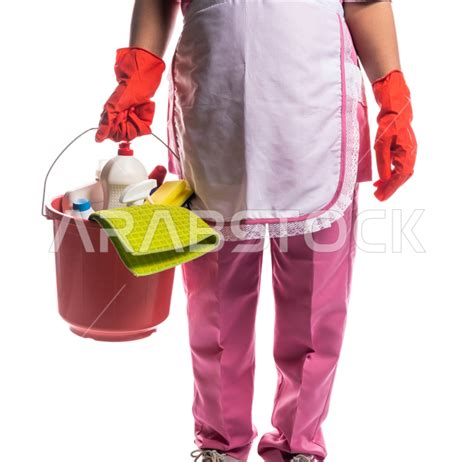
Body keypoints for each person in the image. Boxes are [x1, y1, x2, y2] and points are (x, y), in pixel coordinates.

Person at [96, 0, 417, 461]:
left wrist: (393, 97)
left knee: (317, 308)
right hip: (215, 107)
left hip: (315, 113)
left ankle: (298, 447)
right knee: (214, 307)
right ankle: (220, 447)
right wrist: (139, 72)